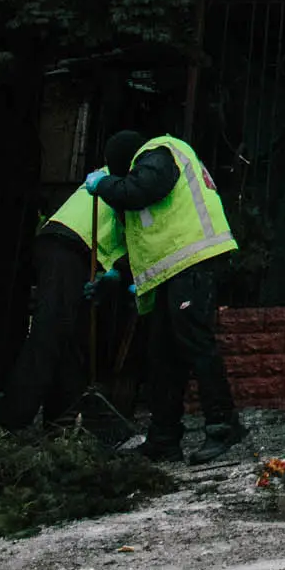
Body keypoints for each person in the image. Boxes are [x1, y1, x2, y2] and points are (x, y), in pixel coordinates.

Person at [83, 127, 243, 460]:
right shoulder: (151, 166)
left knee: (195, 344)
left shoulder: (159, 153)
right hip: (177, 269)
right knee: (162, 356)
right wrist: (117, 274)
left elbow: (141, 189)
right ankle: (163, 439)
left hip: (195, 262)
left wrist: (104, 184)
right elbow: (151, 236)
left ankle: (223, 425)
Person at [0, 160, 131, 430]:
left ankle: (61, 421)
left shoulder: (119, 169)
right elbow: (136, 233)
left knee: (68, 338)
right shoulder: (134, 177)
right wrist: (121, 272)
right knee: (50, 331)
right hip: (70, 245)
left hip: (68, 246)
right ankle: (7, 425)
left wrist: (115, 272)